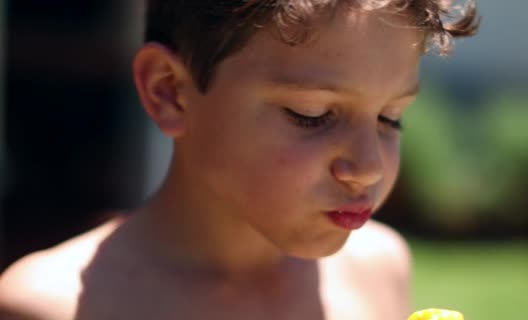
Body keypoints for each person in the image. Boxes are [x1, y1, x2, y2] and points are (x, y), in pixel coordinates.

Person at [0, 0, 479, 319]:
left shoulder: (378, 268)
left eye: (391, 117)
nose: (370, 165)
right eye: (310, 114)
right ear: (169, 91)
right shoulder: (49, 307)